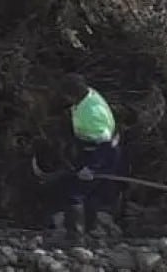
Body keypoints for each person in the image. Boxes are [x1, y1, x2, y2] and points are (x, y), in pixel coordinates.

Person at [59, 74, 122, 240]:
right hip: (89, 148)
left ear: (73, 94)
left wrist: (92, 168)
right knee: (90, 193)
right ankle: (90, 230)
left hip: (101, 154)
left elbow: (105, 144)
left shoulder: (93, 113)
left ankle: (75, 236)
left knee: (75, 193)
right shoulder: (88, 96)